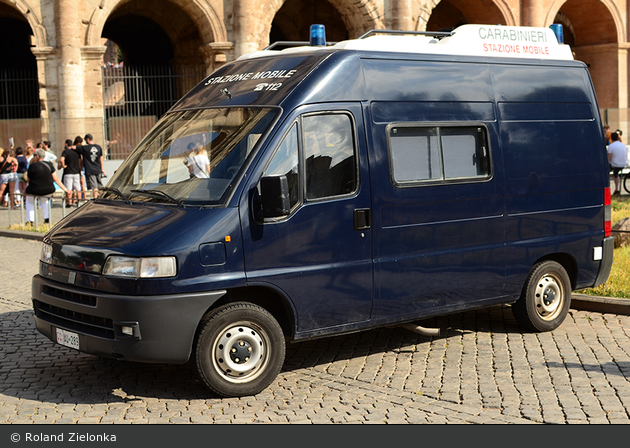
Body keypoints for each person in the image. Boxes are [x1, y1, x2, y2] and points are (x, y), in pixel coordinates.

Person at [23, 148, 68, 225]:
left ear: (37, 156)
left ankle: (30, 220)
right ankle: (46, 218)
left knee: (30, 201)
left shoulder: (32, 166)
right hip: (48, 189)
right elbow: (56, 178)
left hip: (34, 189)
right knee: (45, 201)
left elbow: (28, 180)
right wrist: (65, 189)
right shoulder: (50, 165)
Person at [81, 134, 105, 198]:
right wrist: (102, 169)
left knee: (94, 187)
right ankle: (103, 198)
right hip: (98, 169)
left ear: (87, 139)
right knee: (100, 187)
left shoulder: (85, 148)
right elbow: (101, 158)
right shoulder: (98, 147)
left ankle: (95, 200)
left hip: (90, 170)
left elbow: (75, 147)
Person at [59, 139, 82, 206]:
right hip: (76, 172)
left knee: (69, 188)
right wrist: (79, 169)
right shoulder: (76, 152)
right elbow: (80, 161)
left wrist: (63, 166)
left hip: (68, 172)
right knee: (78, 188)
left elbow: (61, 159)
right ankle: (79, 201)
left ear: (66, 144)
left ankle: (69, 203)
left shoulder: (65, 151)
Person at [608, 131, 627, 195]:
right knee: (616, 172)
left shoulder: (611, 146)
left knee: (606, 170)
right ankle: (617, 189)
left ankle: (612, 188)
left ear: (611, 138)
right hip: (623, 164)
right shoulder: (623, 145)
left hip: (615, 165)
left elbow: (608, 158)